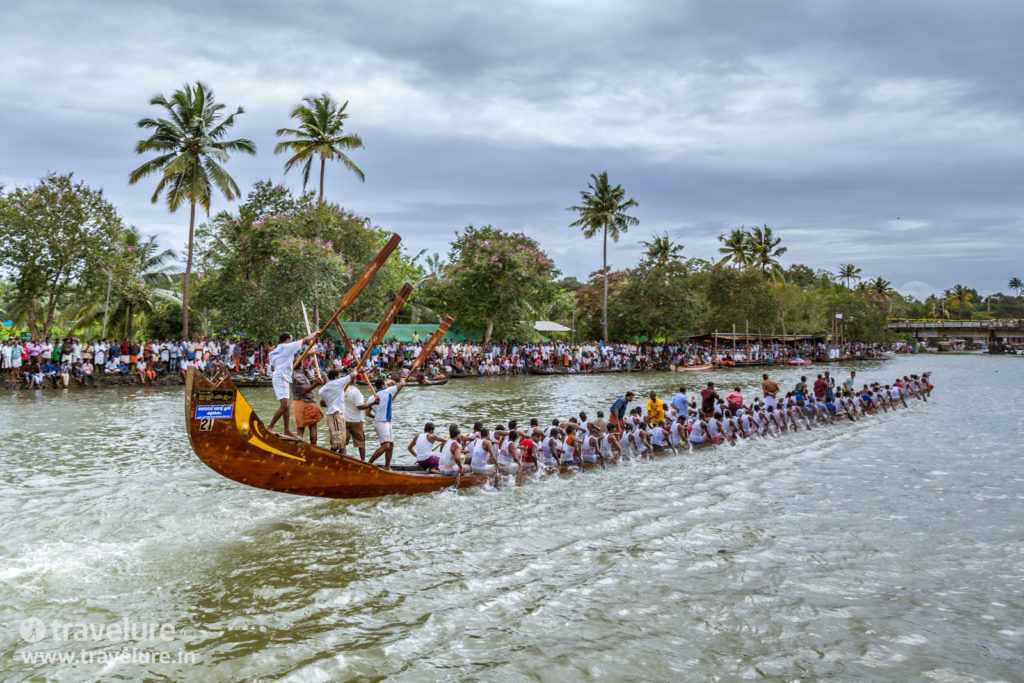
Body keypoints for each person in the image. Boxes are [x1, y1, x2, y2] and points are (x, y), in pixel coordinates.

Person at [267, 331, 317, 438]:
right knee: (285, 405)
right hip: (282, 377)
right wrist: (316, 333)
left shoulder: (274, 351)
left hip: (279, 376)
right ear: (288, 340)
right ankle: (270, 427)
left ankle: (286, 429)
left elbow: (272, 367)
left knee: (287, 405)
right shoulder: (288, 346)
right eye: (291, 339)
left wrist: (288, 367)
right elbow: (306, 339)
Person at [363, 377, 407, 470]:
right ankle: (368, 464)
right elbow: (402, 384)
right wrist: (402, 378)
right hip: (382, 423)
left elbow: (367, 413)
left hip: (386, 422)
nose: (387, 386)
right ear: (383, 386)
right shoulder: (387, 392)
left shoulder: (372, 397)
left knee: (391, 445)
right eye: (386, 384)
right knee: (386, 445)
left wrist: (376, 416)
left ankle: (387, 467)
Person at [318, 369, 354, 454]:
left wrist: (332, 400)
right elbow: (352, 375)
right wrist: (359, 370)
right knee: (337, 444)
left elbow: (322, 404)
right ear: (336, 377)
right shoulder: (337, 383)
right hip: (335, 414)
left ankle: (343, 461)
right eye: (339, 377)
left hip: (335, 415)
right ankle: (327, 459)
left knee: (342, 441)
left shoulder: (322, 389)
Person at [292, 367, 323, 445]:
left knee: (300, 429)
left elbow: (301, 361)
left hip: (297, 404)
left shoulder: (292, 374)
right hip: (306, 403)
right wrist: (316, 383)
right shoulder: (297, 376)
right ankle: (313, 448)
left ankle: (297, 449)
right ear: (301, 366)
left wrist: (308, 354)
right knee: (313, 428)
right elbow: (304, 391)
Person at [343, 377, 368, 460]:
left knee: (343, 442)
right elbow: (360, 406)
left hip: (345, 419)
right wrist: (372, 403)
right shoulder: (356, 392)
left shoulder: (342, 390)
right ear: (354, 381)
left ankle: (343, 459)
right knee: (361, 442)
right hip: (356, 420)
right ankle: (363, 461)